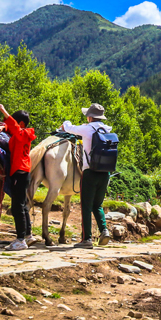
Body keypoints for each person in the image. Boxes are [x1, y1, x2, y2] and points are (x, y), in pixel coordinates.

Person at [60, 103, 112, 249]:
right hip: (105, 173)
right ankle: (104, 230)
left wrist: (65, 123)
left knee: (86, 206)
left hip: (90, 173)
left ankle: (87, 239)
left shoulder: (87, 128)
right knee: (98, 205)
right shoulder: (107, 129)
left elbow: (69, 128)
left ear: (90, 117)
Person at [0, 104, 38, 251]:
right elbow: (12, 128)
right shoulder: (23, 134)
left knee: (17, 206)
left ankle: (20, 240)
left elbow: (13, 127)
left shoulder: (23, 134)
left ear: (20, 123)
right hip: (23, 173)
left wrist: (2, 109)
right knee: (22, 204)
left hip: (19, 173)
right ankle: (28, 234)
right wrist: (4, 128)